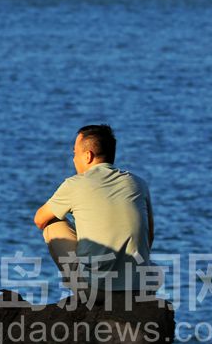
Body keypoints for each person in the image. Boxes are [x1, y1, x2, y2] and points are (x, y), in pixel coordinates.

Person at [33, 124, 154, 295]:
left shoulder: (75, 184)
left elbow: (39, 219)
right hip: (139, 288)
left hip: (97, 291)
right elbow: (149, 236)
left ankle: (83, 295)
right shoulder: (138, 183)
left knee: (51, 224)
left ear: (88, 156)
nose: (73, 159)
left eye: (75, 153)